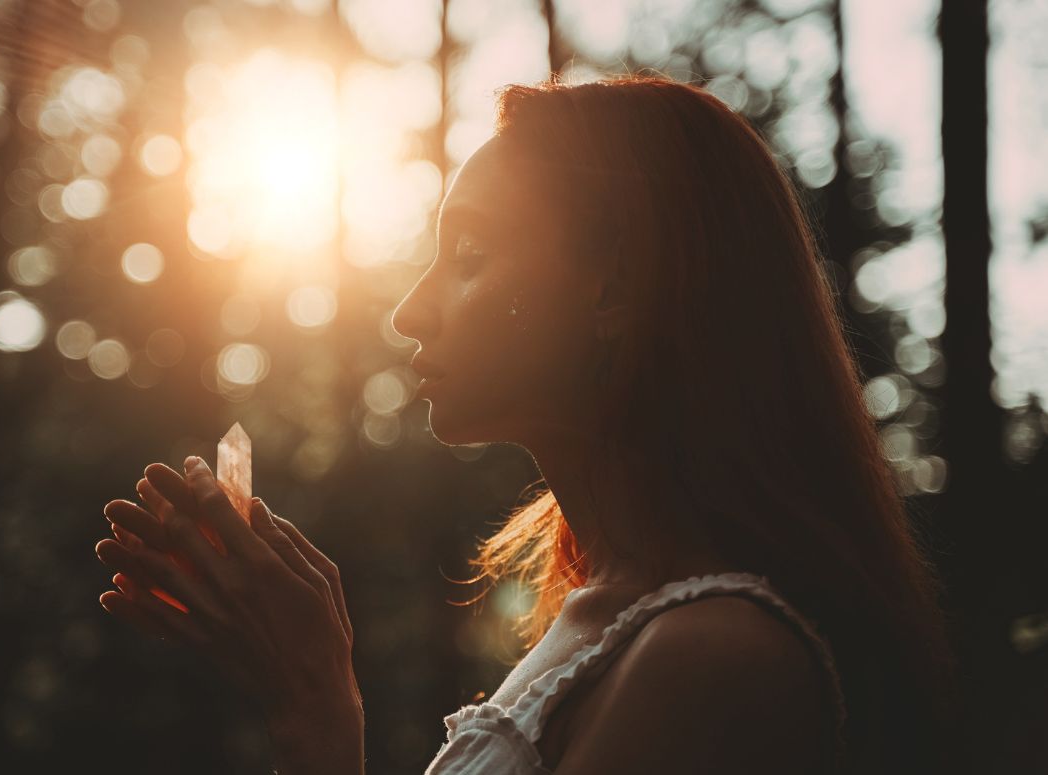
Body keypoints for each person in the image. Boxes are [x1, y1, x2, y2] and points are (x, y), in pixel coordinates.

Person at [94, 74, 960, 775]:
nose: (407, 313)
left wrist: (313, 705)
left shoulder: (716, 658)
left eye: (468, 257)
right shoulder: (597, 619)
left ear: (613, 288)